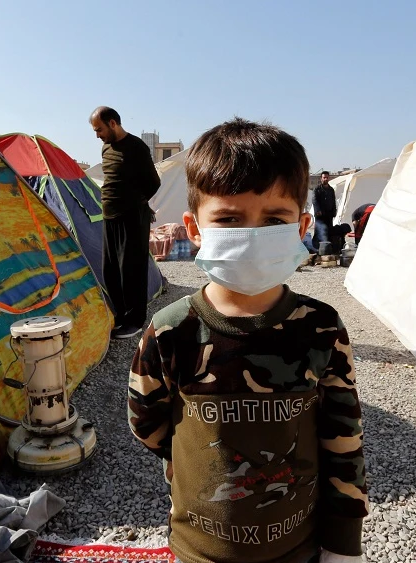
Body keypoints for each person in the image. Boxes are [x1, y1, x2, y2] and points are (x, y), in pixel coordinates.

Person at [127, 118, 368, 563]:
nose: (253, 235)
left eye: (274, 219)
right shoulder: (170, 329)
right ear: (194, 228)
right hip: (199, 551)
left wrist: (344, 542)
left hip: (300, 548)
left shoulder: (321, 326)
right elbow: (148, 422)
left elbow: (343, 435)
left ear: (301, 227)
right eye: (229, 219)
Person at [90, 106, 160, 339]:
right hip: (109, 216)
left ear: (112, 123)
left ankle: (135, 321)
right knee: (110, 270)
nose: (97, 134)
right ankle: (121, 316)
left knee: (131, 269)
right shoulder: (106, 147)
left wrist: (137, 203)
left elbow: (153, 182)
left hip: (131, 217)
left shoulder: (136, 147)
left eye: (99, 129)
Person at [312, 171, 336, 252]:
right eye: (324, 177)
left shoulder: (331, 189)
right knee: (319, 231)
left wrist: (334, 211)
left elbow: (333, 201)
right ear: (321, 178)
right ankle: (316, 248)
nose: (325, 179)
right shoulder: (317, 189)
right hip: (320, 215)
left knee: (329, 231)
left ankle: (327, 249)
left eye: (327, 177)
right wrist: (318, 210)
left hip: (329, 214)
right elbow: (314, 200)